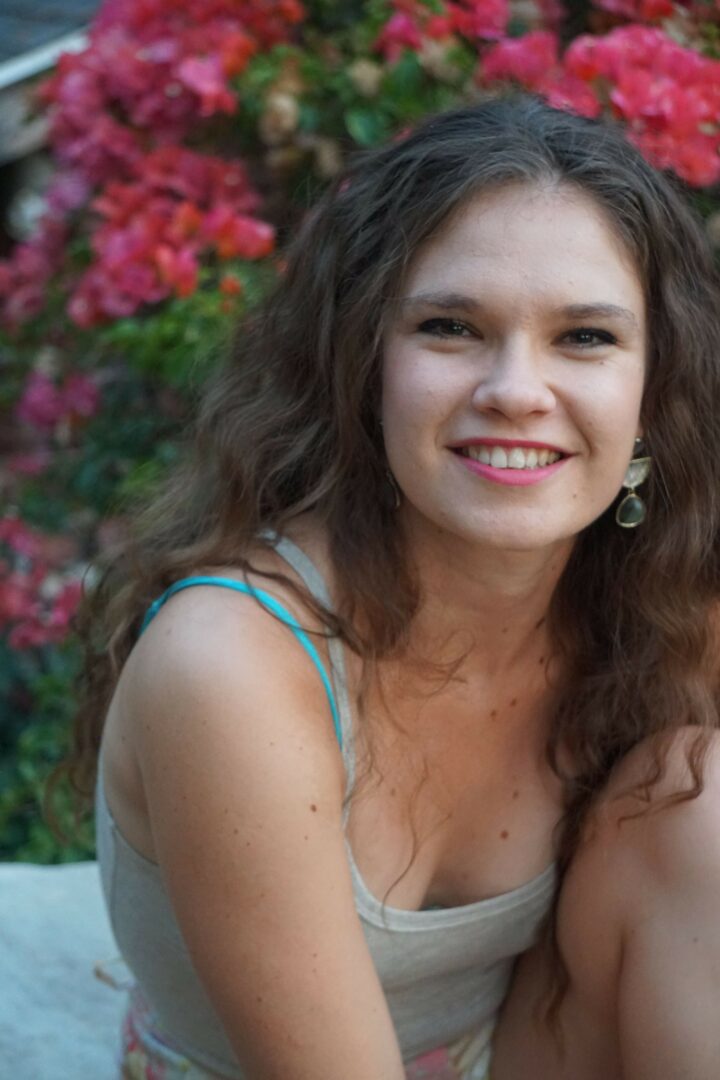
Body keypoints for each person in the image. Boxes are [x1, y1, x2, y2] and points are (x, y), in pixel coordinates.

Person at [65, 93, 720, 1079]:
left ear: (653, 393)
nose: (516, 390)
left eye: (585, 337)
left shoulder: (656, 605)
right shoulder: (233, 667)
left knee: (703, 798)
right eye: (451, 327)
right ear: (363, 363)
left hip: (522, 1052)